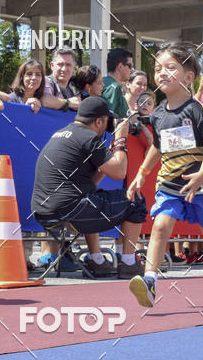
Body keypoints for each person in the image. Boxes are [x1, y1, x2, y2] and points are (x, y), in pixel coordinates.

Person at [126, 41, 203, 308]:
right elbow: (158, 146)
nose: (162, 73)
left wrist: (201, 175)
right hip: (169, 183)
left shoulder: (195, 110)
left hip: (201, 184)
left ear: (189, 77)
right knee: (160, 226)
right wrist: (142, 173)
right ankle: (149, 280)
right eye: (158, 68)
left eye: (170, 67)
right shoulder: (157, 114)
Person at [31, 96, 147, 279]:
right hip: (70, 211)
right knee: (136, 200)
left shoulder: (62, 133)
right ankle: (129, 263)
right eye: (107, 122)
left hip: (43, 214)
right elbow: (120, 172)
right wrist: (120, 139)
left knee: (91, 197)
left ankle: (97, 260)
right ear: (99, 121)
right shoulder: (88, 137)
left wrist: (105, 159)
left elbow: (91, 183)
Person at [42, 47, 80, 112]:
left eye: (68, 65)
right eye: (60, 64)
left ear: (74, 67)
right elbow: (45, 100)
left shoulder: (72, 89)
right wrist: (69, 103)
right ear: (52, 65)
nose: (64, 69)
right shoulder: (46, 81)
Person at [102, 47, 134, 119]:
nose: (132, 70)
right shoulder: (114, 87)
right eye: (130, 66)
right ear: (120, 66)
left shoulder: (104, 82)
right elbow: (107, 120)